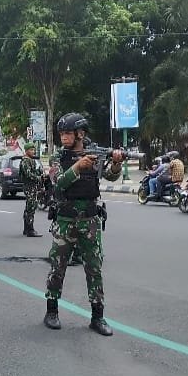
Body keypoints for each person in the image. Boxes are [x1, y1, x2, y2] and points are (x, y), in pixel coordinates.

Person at [44, 112, 125, 336]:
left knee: (94, 268)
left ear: (80, 133)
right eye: (61, 134)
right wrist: (78, 167)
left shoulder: (94, 154)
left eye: (68, 133)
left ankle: (97, 317)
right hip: (65, 219)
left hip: (89, 220)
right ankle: (52, 311)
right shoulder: (58, 157)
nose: (64, 137)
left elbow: (109, 176)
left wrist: (116, 163)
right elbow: (58, 183)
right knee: (57, 266)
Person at [19, 142, 43, 237]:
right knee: (31, 207)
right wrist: (38, 178)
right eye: (31, 150)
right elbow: (28, 174)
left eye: (34, 149)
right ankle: (30, 230)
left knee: (29, 207)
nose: (33, 151)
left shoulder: (30, 160)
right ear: (26, 151)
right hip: (29, 187)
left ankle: (26, 229)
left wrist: (39, 172)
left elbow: (33, 171)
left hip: (32, 186)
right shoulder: (25, 161)